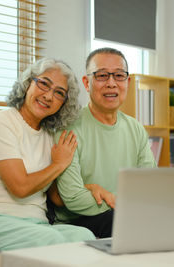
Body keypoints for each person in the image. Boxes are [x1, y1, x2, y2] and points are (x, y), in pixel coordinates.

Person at [0, 58, 96, 251]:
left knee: (86, 237)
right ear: (28, 83)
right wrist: (58, 164)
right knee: (53, 241)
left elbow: (56, 198)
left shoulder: (50, 137)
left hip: (36, 226)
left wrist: (91, 189)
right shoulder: (1, 121)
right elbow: (20, 187)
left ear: (63, 103)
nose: (48, 96)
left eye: (59, 93)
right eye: (44, 84)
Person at [49, 48, 157, 238]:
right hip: (77, 222)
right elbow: (73, 198)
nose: (111, 83)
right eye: (102, 76)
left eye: (119, 75)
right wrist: (127, 201)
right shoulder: (68, 129)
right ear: (86, 83)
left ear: (128, 82)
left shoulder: (136, 129)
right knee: (133, 222)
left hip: (125, 213)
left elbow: (149, 186)